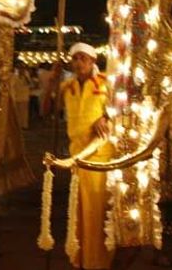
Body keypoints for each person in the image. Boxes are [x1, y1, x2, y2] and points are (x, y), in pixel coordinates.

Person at [44, 43, 113, 269]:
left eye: (83, 58)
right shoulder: (68, 86)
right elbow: (46, 109)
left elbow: (121, 107)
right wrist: (51, 82)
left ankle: (99, 260)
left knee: (96, 210)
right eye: (75, 58)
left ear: (93, 61)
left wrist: (105, 117)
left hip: (100, 156)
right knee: (79, 211)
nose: (78, 63)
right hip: (76, 157)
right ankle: (82, 258)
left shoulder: (106, 82)